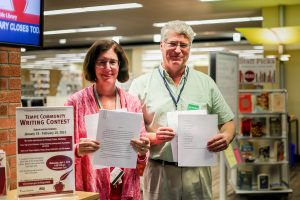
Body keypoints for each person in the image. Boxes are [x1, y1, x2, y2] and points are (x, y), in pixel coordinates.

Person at [129, 20, 235, 200]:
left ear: (190, 48)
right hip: (158, 171)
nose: (178, 50)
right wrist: (152, 137)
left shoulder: (205, 83)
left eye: (183, 45)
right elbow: (129, 132)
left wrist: (226, 136)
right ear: (162, 45)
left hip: (198, 172)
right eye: (172, 43)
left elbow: (228, 122)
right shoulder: (140, 85)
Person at [65, 40, 150, 200]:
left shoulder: (132, 102)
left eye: (113, 62)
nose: (108, 68)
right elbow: (61, 149)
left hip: (126, 189)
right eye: (102, 62)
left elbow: (142, 153)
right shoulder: (75, 102)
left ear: (120, 65)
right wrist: (77, 149)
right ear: (92, 66)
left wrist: (143, 151)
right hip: (91, 188)